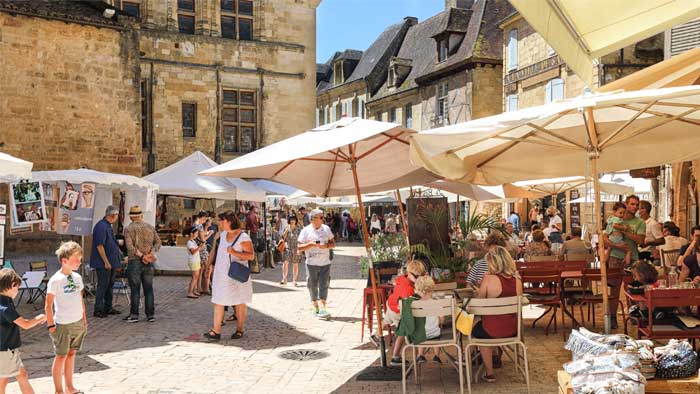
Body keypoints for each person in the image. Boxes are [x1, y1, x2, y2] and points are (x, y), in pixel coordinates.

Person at [472, 246, 523, 383]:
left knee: (476, 327)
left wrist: (478, 289)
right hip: (512, 330)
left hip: (490, 331)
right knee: (493, 324)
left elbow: (479, 305)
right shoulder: (517, 280)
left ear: (493, 262)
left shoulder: (488, 279)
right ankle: (496, 356)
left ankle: (489, 372)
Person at [204, 211, 255, 341]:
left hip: (236, 276)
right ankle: (216, 331)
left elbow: (250, 256)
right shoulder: (222, 234)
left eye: (222, 220)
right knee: (218, 300)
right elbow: (215, 251)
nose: (219, 223)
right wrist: (209, 266)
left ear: (229, 221)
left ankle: (240, 329)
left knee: (239, 302)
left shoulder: (243, 238)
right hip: (221, 275)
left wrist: (235, 252)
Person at [45, 241, 87, 394]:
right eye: (76, 259)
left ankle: (69, 387)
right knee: (61, 356)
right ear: (64, 261)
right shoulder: (55, 280)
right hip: (62, 324)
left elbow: (80, 297)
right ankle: (59, 390)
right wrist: (51, 325)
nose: (79, 262)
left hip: (77, 323)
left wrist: (84, 318)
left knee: (72, 354)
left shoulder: (77, 277)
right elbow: (48, 305)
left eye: (80, 258)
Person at [603, 195, 646, 329]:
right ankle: (613, 317)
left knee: (632, 289)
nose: (635, 207)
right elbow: (605, 239)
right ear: (626, 205)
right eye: (632, 204)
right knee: (614, 290)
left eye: (637, 205)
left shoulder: (640, 222)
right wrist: (618, 246)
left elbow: (640, 241)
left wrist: (625, 231)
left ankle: (633, 315)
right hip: (615, 258)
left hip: (632, 259)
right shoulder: (615, 219)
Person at [0, 269, 46, 394]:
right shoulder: (5, 307)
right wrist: (38, 318)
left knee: (17, 377)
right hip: (6, 350)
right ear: (12, 285)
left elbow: (17, 320)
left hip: (7, 349)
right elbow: (25, 325)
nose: (17, 291)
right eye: (17, 288)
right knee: (6, 380)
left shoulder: (5, 303)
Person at [382, 260, 426, 366]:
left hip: (392, 304)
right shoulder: (407, 289)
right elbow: (410, 306)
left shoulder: (404, 279)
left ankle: (377, 334)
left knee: (393, 326)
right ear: (409, 273)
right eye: (416, 276)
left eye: (421, 276)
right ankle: (395, 357)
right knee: (402, 332)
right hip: (397, 310)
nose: (418, 279)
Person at [123, 205, 161, 323]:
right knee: (148, 289)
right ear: (141, 216)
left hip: (135, 261)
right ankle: (150, 315)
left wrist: (142, 256)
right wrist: (151, 254)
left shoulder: (129, 229)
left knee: (135, 289)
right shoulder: (149, 227)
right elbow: (158, 242)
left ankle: (134, 315)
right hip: (148, 262)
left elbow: (130, 247)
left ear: (131, 217)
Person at [297, 208, 336, 317]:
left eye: (322, 217)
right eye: (320, 217)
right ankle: (315, 307)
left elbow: (333, 243)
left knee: (324, 285)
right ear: (313, 219)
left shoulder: (326, 229)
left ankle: (323, 307)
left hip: (325, 263)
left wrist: (326, 246)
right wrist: (311, 244)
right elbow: (299, 247)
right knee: (312, 285)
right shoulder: (305, 230)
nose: (323, 219)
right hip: (311, 264)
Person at [90, 205, 122, 318]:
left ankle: (108, 307)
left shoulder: (107, 226)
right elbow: (100, 246)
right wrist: (106, 261)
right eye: (117, 215)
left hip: (111, 262)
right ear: (113, 215)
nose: (117, 217)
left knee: (109, 285)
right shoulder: (101, 226)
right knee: (103, 286)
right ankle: (98, 309)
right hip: (103, 263)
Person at [413, 275, 442, 364]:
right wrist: (440, 323)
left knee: (420, 333)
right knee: (437, 335)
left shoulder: (415, 304)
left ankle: (420, 355)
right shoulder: (436, 303)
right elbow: (442, 319)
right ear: (432, 289)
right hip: (435, 334)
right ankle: (436, 356)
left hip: (420, 335)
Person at [605, 202, 633, 266]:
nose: (622, 215)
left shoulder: (610, 219)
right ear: (614, 212)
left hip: (612, 239)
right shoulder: (617, 219)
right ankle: (628, 261)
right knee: (628, 249)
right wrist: (624, 228)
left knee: (610, 249)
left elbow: (608, 231)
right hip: (617, 239)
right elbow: (615, 225)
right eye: (620, 213)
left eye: (623, 213)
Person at [281, 216, 302, 286]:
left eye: (293, 220)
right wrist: (286, 231)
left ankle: (294, 280)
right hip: (288, 248)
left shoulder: (298, 228)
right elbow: (283, 237)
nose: (292, 221)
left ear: (296, 221)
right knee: (285, 263)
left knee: (295, 264)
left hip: (296, 248)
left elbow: (301, 239)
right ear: (289, 221)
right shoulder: (287, 227)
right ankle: (284, 279)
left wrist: (300, 249)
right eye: (291, 220)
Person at [185, 226, 204, 299]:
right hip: (193, 261)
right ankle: (190, 292)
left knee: (196, 277)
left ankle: (193, 290)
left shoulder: (193, 241)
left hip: (196, 260)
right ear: (191, 234)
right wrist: (199, 247)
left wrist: (201, 247)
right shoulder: (189, 242)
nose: (197, 234)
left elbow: (196, 250)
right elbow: (193, 252)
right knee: (194, 277)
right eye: (196, 233)